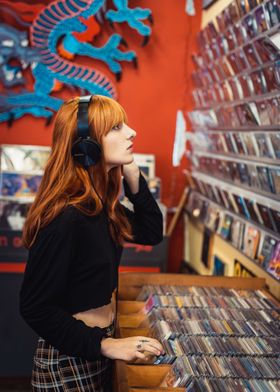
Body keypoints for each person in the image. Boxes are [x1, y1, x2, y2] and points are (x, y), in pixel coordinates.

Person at [19, 95, 164, 392]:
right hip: (70, 358)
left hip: (97, 348)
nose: (131, 132)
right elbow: (35, 307)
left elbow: (151, 233)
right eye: (116, 127)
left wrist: (134, 180)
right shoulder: (66, 216)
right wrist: (106, 345)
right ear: (87, 146)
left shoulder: (100, 205)